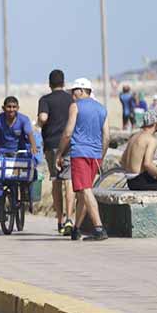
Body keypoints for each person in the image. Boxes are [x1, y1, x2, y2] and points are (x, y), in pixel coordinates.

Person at [56, 78, 109, 241]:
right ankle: (77, 229)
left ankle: (99, 229)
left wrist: (59, 154)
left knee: (85, 190)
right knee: (82, 193)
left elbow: (68, 132)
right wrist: (101, 155)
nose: (72, 95)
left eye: (74, 91)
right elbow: (106, 136)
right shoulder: (102, 108)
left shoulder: (76, 106)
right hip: (95, 155)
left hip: (79, 153)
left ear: (81, 90)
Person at [0, 96, 38, 220]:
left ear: (17, 108)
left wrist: (33, 147)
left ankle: (22, 198)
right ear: (3, 108)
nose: (11, 110)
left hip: (19, 154)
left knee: (22, 178)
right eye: (9, 107)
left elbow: (29, 134)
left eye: (14, 107)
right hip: (1, 154)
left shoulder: (23, 120)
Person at [38, 69, 75, 235]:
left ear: (49, 84)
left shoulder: (45, 100)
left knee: (56, 181)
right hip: (69, 144)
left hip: (51, 144)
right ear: (64, 83)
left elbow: (44, 118)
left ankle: (59, 220)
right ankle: (69, 219)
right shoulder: (71, 99)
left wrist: (39, 122)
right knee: (69, 181)